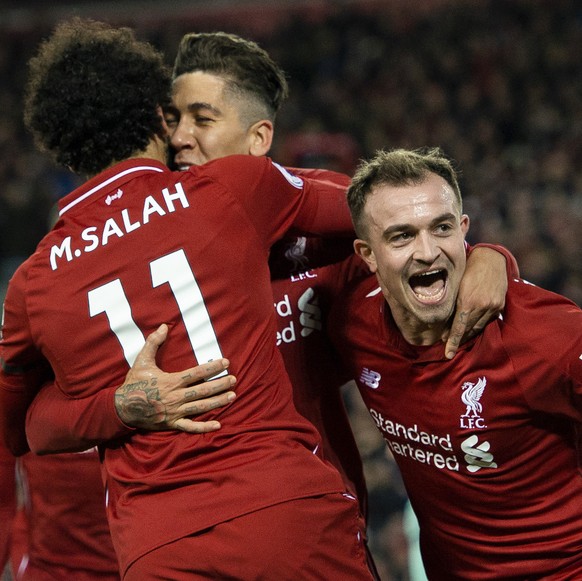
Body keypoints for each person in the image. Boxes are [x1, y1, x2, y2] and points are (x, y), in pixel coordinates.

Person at [0, 18, 380, 581]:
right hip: (286, 515)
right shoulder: (231, 192)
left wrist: (116, 408)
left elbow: (20, 430)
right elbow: (376, 210)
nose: (182, 134)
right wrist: (491, 253)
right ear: (155, 117)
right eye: (176, 117)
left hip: (160, 549)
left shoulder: (33, 284)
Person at [329, 146, 582, 579]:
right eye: (401, 236)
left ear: (463, 230)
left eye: (440, 228)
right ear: (366, 255)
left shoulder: (541, 334)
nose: (427, 252)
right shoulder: (352, 324)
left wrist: (495, 255)